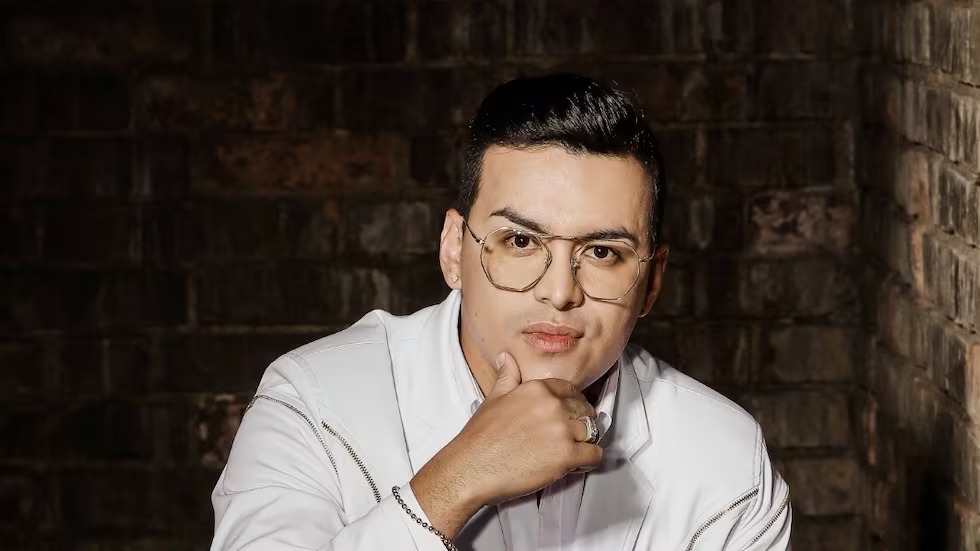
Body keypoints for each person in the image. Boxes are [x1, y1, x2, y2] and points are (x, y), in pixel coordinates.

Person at [210, 73, 792, 550]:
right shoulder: (315, 403)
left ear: (653, 281)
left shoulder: (725, 463)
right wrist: (453, 483)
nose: (559, 292)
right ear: (453, 250)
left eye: (602, 252)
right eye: (520, 242)